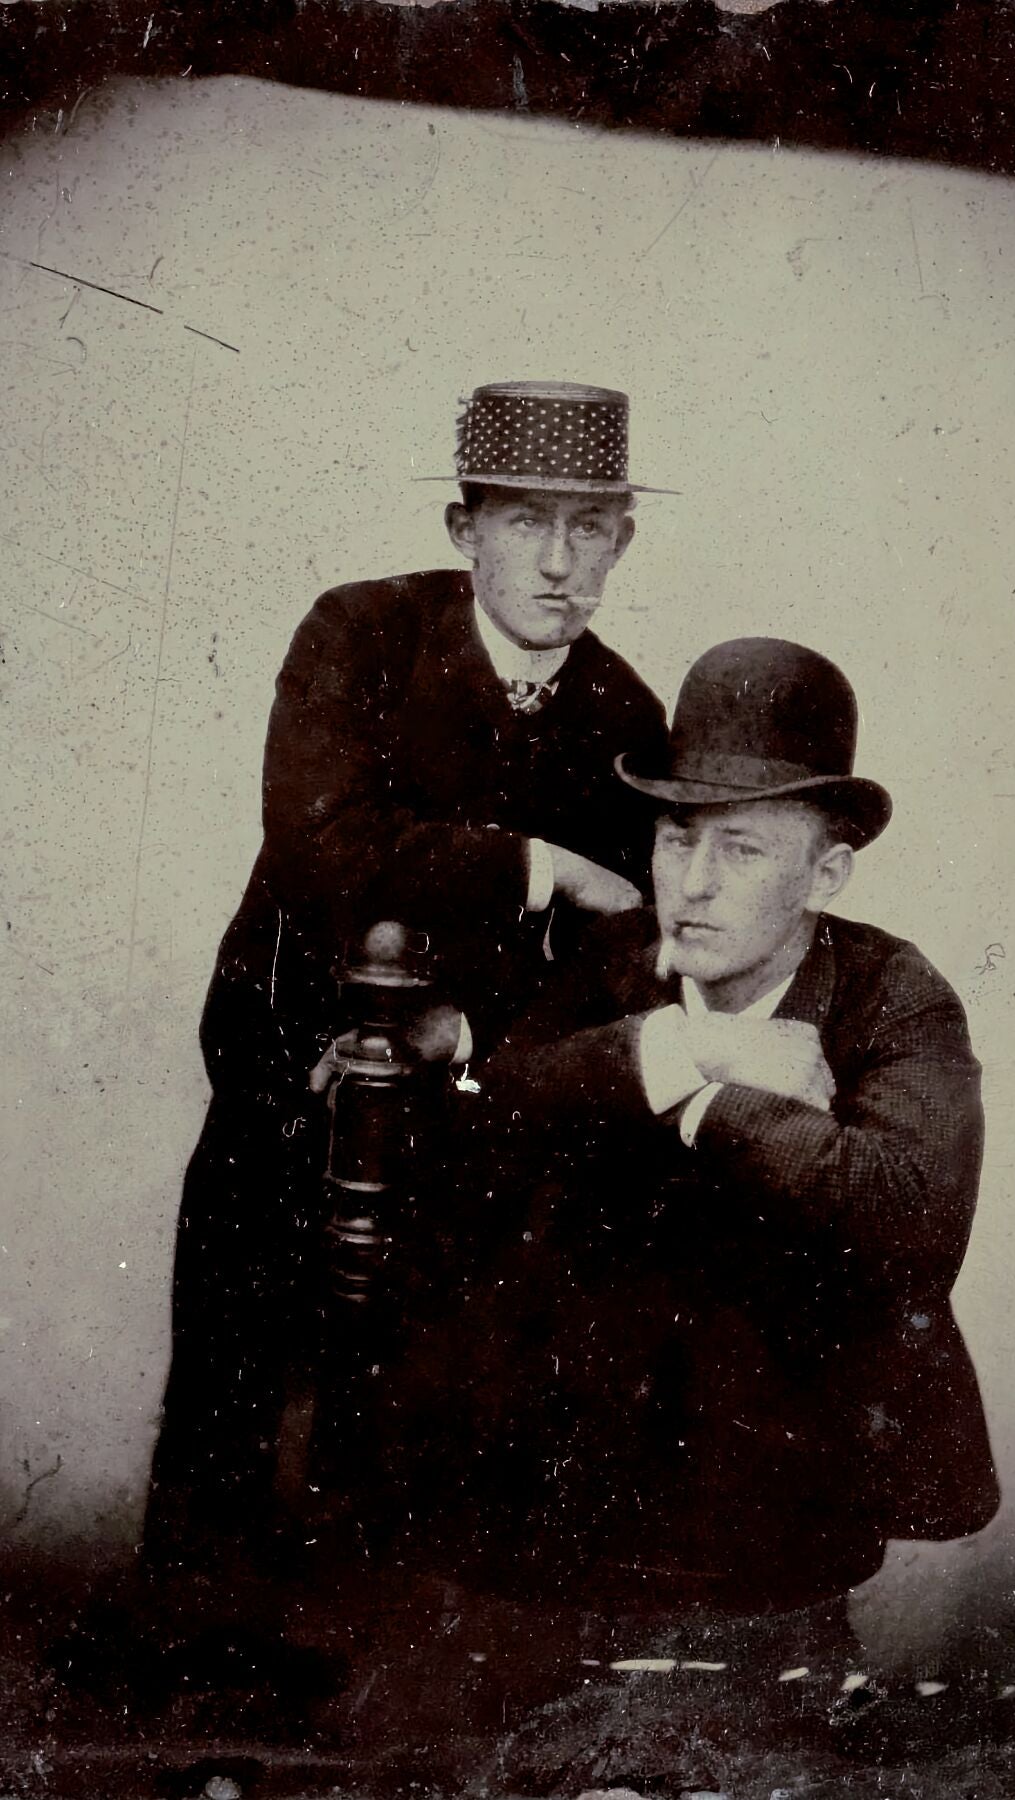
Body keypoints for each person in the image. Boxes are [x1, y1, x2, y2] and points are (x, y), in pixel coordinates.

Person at [143, 380, 670, 1583]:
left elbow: (617, 959)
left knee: (409, 1388)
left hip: (460, 1086)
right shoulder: (361, 632)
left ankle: (362, 1664)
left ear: (624, 539)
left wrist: (471, 1026)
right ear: (462, 529)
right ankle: (185, 1658)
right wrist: (542, 866)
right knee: (234, 1357)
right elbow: (319, 841)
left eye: (590, 528)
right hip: (284, 1056)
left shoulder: (628, 716)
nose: (558, 563)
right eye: (527, 521)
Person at [434, 636, 999, 1659]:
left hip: (780, 1518)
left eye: (739, 850)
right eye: (674, 838)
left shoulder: (895, 994)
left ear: (825, 872)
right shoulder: (614, 963)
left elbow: (914, 1222)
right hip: (573, 1510)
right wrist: (685, 1043)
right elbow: (486, 1128)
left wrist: (705, 1105)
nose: (690, 883)